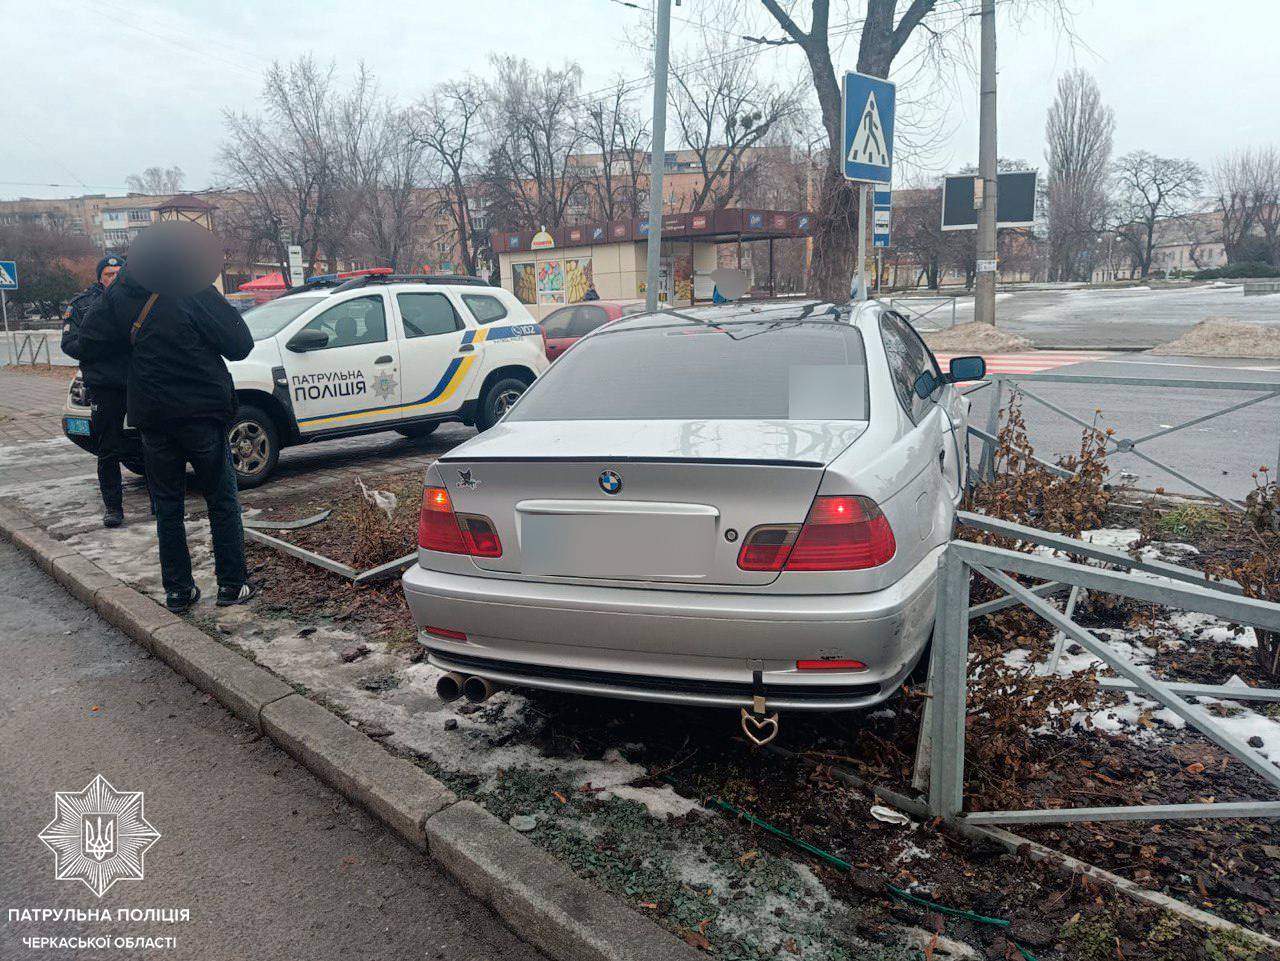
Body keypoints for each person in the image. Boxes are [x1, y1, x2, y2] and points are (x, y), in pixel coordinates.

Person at [76, 267, 256, 612]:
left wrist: (132, 360)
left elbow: (87, 343)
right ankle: (232, 584)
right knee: (221, 499)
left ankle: (177, 591)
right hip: (201, 411)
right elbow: (239, 344)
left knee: (167, 506)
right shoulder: (191, 285)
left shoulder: (121, 292)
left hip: (153, 414)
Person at [61, 255, 128, 527]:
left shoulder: (137, 300)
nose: (115, 278)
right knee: (108, 448)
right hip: (104, 385)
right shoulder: (83, 304)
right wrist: (102, 346)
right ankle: (113, 507)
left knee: (152, 443)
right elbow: (70, 344)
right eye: (109, 274)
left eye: (119, 273)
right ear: (100, 277)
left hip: (138, 381)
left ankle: (159, 503)